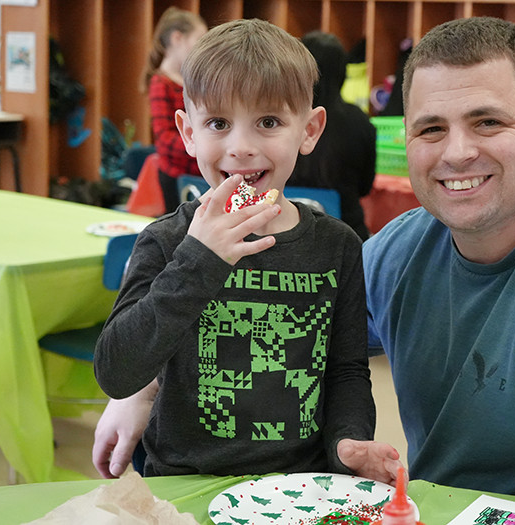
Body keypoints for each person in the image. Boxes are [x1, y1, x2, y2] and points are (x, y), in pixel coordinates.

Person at [94, 16, 515, 525]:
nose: (458, 151)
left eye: (488, 121)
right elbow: (315, 352)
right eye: (431, 129)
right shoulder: (402, 248)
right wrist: (142, 386)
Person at [94, 18, 402, 484]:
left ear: (310, 129)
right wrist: (199, 258)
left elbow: (346, 372)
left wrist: (347, 444)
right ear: (188, 131)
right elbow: (118, 373)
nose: (241, 147)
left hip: (301, 488)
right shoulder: (167, 242)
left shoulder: (337, 247)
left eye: (269, 122)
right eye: (218, 122)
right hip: (184, 486)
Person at [289, 31, 376, 241]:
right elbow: (365, 188)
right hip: (347, 235)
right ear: (342, 71)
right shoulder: (359, 121)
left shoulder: (280, 120)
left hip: (281, 233)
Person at [143, 7, 207, 215]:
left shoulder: (194, 80)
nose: (202, 49)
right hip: (176, 177)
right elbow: (164, 140)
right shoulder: (161, 83)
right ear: (178, 38)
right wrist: (205, 145)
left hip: (201, 171)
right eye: (199, 40)